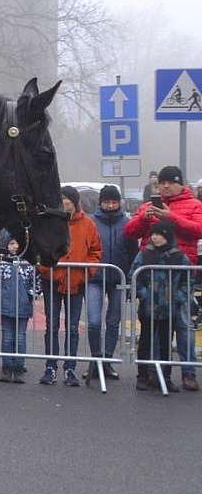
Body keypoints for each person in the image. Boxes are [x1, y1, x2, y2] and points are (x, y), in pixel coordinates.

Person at [124, 165, 202, 391]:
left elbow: (197, 230)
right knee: (157, 327)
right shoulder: (148, 206)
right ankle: (155, 371)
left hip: (180, 273)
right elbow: (130, 233)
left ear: (181, 184)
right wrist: (143, 219)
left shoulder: (195, 205)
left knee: (184, 324)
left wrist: (171, 217)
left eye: (170, 182)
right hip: (152, 275)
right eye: (162, 183)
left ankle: (188, 372)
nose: (165, 186)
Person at [36, 186, 102, 387]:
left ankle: (70, 368)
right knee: (52, 325)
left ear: (74, 202)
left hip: (76, 282)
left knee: (72, 328)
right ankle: (50, 367)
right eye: (61, 198)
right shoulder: (49, 222)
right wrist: (45, 269)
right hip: (52, 280)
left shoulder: (88, 224)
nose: (63, 201)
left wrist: (86, 272)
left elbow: (96, 251)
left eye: (66, 198)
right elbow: (39, 248)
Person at [131, 221, 192, 392]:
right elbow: (134, 276)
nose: (155, 237)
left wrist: (178, 297)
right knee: (145, 341)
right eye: (153, 234)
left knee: (166, 343)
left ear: (168, 236)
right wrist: (144, 294)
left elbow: (188, 281)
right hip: (148, 308)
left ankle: (165, 376)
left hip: (169, 308)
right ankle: (142, 376)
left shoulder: (180, 257)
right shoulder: (145, 255)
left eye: (159, 234)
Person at [85, 185, 134, 381]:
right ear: (101, 203)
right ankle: (95, 360)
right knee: (94, 321)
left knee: (113, 323)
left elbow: (133, 253)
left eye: (114, 201)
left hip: (119, 278)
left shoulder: (127, 223)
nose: (111, 205)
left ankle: (107, 362)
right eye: (107, 201)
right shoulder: (91, 222)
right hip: (95, 279)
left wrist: (130, 280)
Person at [0, 232, 41, 383]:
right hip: (5, 305)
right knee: (7, 337)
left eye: (17, 243)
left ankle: (19, 367)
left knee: (21, 337)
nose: (14, 247)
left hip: (23, 306)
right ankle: (6, 367)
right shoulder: (2, 263)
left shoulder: (29, 264)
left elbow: (37, 283)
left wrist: (30, 295)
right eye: (11, 243)